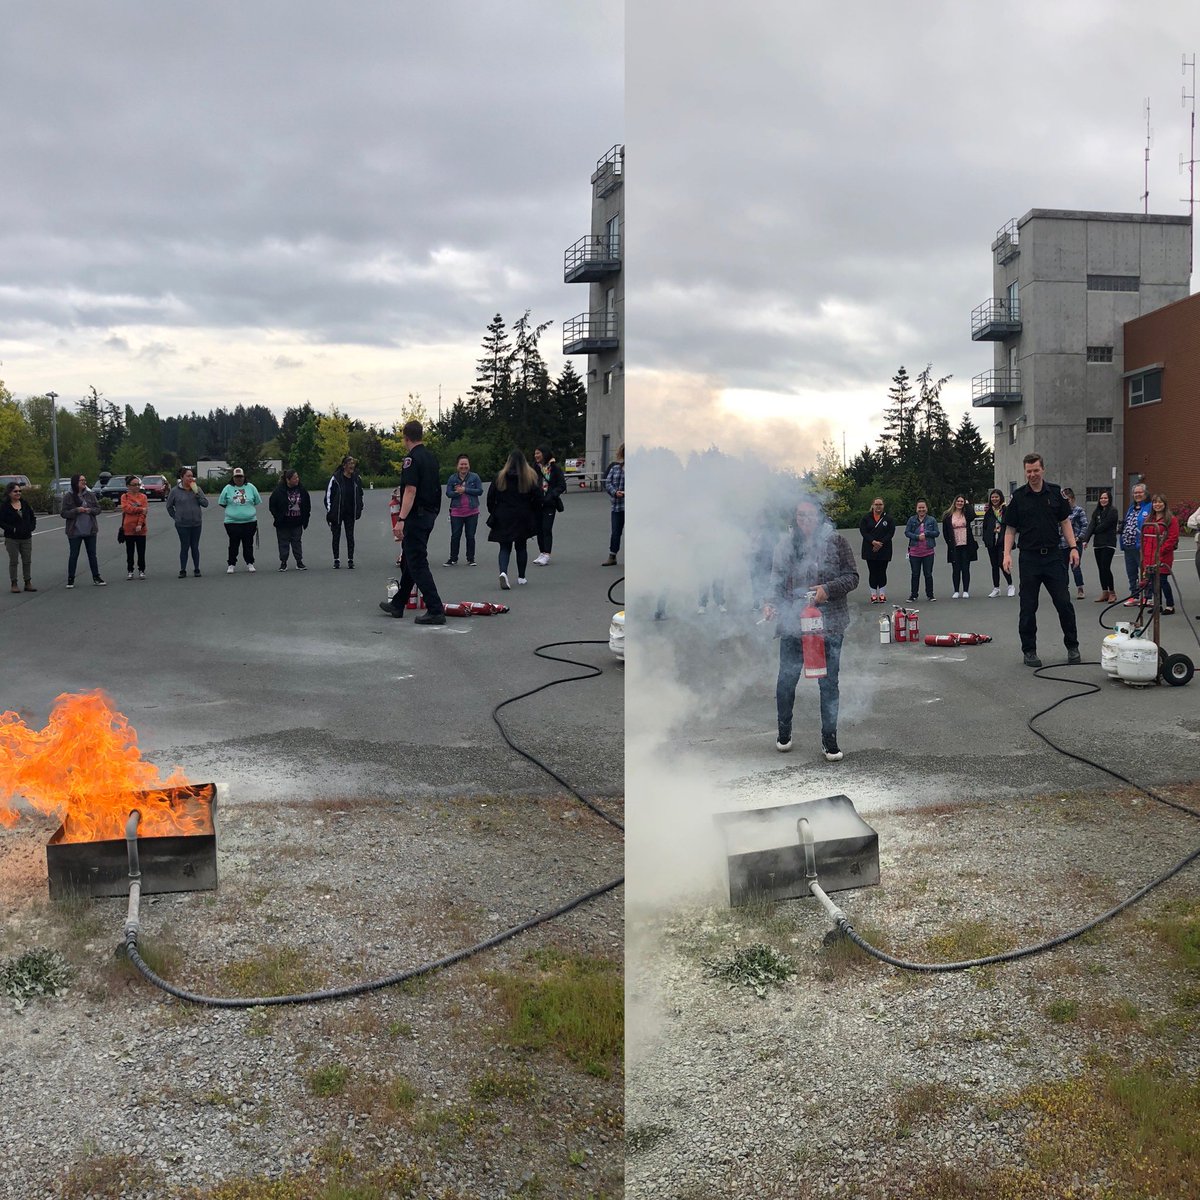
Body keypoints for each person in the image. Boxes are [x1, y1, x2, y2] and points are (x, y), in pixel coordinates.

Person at [764, 497, 859, 761]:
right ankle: (784, 732)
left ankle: (830, 739)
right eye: (800, 515)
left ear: (820, 516)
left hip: (829, 623)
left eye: (810, 515)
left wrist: (827, 589)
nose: (805, 520)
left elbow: (852, 577)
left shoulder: (837, 542)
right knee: (786, 680)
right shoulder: (785, 545)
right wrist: (771, 603)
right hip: (793, 622)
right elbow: (776, 580)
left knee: (828, 683)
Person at [1002, 452, 1081, 668]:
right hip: (1029, 558)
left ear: (1043, 469)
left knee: (1064, 603)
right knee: (1028, 607)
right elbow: (1010, 529)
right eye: (1029, 471)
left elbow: (1065, 522)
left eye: (1036, 470)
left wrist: (1073, 548)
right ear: (1025, 472)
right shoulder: (1018, 497)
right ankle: (1029, 651)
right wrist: (1007, 554)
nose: (1032, 475)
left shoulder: (1055, 493)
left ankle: (1072, 646)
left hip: (1053, 557)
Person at [377, 420, 446, 625]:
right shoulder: (431, 458)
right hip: (429, 513)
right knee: (409, 560)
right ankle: (398, 603)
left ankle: (435, 609)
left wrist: (401, 519)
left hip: (416, 516)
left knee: (417, 562)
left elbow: (410, 490)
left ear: (405, 438)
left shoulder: (411, 459)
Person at [485, 450, 543, 590]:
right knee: (521, 546)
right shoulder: (530, 477)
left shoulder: (500, 476)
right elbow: (538, 497)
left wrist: (494, 512)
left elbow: (490, 497)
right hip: (522, 515)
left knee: (504, 547)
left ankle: (503, 572)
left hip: (503, 515)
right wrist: (533, 512)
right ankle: (521, 577)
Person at [61, 473, 104, 588]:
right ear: (76, 482)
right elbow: (63, 513)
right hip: (74, 531)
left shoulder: (90, 495)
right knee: (74, 555)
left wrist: (90, 510)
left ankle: (96, 577)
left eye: (85, 480)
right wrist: (76, 510)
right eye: (82, 480)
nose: (84, 482)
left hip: (90, 530)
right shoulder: (69, 496)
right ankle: (71, 579)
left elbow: (98, 509)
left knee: (92, 555)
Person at [1140, 494, 1179, 615]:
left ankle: (1170, 605)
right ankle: (1158, 604)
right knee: (1152, 581)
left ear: (1165, 504)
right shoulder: (1149, 519)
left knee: (1162, 580)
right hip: (1149, 555)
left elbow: (1172, 538)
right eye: (1155, 502)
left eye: (1160, 502)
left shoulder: (1171, 519)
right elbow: (1145, 537)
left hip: (1163, 555)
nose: (1157, 505)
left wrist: (1160, 551)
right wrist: (1145, 552)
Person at [218, 467, 261, 574]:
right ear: (233, 478)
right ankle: (231, 564)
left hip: (249, 521)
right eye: (236, 477)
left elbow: (256, 501)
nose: (239, 479)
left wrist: (246, 509)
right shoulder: (227, 488)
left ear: (244, 477)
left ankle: (250, 562)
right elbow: (222, 502)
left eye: (240, 477)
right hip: (232, 522)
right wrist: (233, 510)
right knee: (233, 543)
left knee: (248, 543)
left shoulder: (251, 487)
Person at [167, 468, 209, 577]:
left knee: (195, 546)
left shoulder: (197, 489)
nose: (191, 478)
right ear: (182, 477)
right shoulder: (175, 491)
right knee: (185, 546)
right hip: (182, 524)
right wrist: (176, 517)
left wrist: (198, 496)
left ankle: (197, 569)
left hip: (196, 523)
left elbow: (205, 504)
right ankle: (183, 569)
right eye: (188, 476)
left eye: (192, 476)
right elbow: (169, 506)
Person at [324, 455, 363, 569]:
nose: (352, 466)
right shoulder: (336, 478)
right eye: (350, 464)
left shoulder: (356, 478)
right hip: (337, 511)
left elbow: (360, 494)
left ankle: (350, 559)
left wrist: (360, 507)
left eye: (353, 464)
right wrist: (330, 511)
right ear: (344, 465)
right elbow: (328, 495)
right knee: (336, 535)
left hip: (350, 511)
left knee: (350, 535)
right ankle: (336, 559)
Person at [443, 454, 483, 566]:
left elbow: (480, 491)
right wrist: (457, 492)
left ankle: (471, 559)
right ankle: (453, 558)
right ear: (457, 466)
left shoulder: (475, 477)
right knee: (455, 536)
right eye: (461, 464)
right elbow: (448, 493)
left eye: (466, 464)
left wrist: (465, 490)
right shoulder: (452, 478)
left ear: (469, 465)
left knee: (470, 536)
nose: (463, 466)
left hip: (472, 511)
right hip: (456, 512)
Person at [269, 469, 311, 570]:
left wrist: (305, 517)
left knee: (297, 542)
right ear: (288, 480)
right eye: (294, 478)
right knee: (283, 542)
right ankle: (283, 562)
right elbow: (272, 505)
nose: (297, 479)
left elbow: (307, 504)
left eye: (297, 477)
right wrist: (277, 516)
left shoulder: (302, 490)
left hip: (297, 521)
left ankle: (299, 562)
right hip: (283, 522)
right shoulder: (279, 491)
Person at [1082, 489, 1118, 603]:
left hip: (1109, 543)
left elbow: (1105, 525)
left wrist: (1095, 530)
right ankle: (1105, 592)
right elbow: (1091, 525)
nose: (1103, 500)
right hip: (1098, 544)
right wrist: (1085, 540)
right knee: (1101, 569)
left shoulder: (1113, 511)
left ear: (1109, 499)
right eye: (1101, 498)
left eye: (1105, 498)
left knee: (1105, 567)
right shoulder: (1096, 512)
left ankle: (1112, 592)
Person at [532, 446, 566, 566]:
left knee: (546, 528)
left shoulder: (555, 468)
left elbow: (562, 486)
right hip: (537, 503)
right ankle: (542, 552)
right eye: (535, 453)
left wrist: (552, 495)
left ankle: (547, 553)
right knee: (539, 529)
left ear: (544, 454)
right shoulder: (535, 468)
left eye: (538, 453)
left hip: (549, 503)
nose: (536, 456)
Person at [1, 480, 37, 593]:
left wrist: (31, 527)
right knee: (14, 561)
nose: (18, 493)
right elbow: (1, 521)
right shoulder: (4, 506)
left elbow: (32, 517)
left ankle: (28, 582)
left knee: (27, 560)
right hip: (12, 538)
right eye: (15, 491)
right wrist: (12, 529)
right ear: (9, 493)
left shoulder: (25, 504)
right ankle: (14, 583)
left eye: (19, 491)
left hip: (26, 537)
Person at [1118, 482, 1152, 601]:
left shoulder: (1149, 507)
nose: (1137, 495)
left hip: (1141, 546)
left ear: (1145, 493)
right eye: (1135, 493)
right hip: (1128, 545)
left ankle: (1148, 596)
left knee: (1145, 572)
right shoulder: (1131, 508)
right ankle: (1134, 595)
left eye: (1140, 492)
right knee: (1131, 572)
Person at [858, 497, 895, 603]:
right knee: (872, 572)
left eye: (880, 504)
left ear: (883, 506)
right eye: (876, 504)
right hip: (870, 549)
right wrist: (873, 542)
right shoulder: (866, 518)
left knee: (882, 571)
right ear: (873, 505)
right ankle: (873, 595)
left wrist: (880, 543)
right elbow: (864, 532)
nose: (878, 506)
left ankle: (882, 594)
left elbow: (890, 533)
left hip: (884, 548)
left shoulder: (888, 519)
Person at [941, 494, 978, 599]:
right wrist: (949, 543)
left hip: (966, 544)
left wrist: (968, 504)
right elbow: (945, 531)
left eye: (962, 501)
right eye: (958, 501)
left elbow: (973, 515)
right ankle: (956, 590)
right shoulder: (948, 515)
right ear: (954, 502)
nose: (960, 503)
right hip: (954, 545)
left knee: (966, 568)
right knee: (956, 569)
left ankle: (966, 590)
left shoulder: (966, 513)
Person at [981, 489, 1014, 597]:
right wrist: (986, 539)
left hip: (1003, 541)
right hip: (991, 541)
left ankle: (1010, 585)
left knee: (1001, 563)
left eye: (996, 497)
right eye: (992, 497)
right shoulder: (989, 512)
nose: (994, 499)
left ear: (1000, 498)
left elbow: (1010, 524)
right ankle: (996, 588)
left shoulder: (1006, 510)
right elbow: (985, 526)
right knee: (994, 565)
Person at [904, 500, 938, 602]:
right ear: (916, 509)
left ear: (926, 508)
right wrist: (917, 537)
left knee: (928, 574)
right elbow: (907, 532)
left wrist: (927, 533)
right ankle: (913, 595)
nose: (921, 509)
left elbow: (936, 533)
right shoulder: (911, 520)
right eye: (919, 507)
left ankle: (930, 594)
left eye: (923, 507)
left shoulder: (932, 520)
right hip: (914, 552)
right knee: (915, 574)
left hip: (928, 552)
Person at [1059, 488, 1088, 599]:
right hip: (1061, 544)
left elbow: (1084, 525)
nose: (1066, 502)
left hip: (1074, 544)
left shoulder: (1078, 511)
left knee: (1075, 566)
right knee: (1062, 568)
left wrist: (1079, 537)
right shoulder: (1060, 512)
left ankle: (1080, 588)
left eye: (1068, 500)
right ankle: (1064, 589)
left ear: (1073, 499)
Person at [119, 475, 149, 580]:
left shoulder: (143, 497)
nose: (137, 487)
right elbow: (126, 509)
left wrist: (140, 524)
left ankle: (142, 570)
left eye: (138, 484)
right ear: (128, 486)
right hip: (128, 528)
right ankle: (130, 570)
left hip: (140, 528)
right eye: (134, 485)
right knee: (130, 552)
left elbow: (144, 513)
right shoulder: (124, 497)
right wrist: (140, 509)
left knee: (141, 552)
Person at [602, 443, 624, 565]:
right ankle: (612, 556)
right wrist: (615, 492)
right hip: (617, 506)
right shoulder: (615, 468)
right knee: (616, 532)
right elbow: (608, 483)